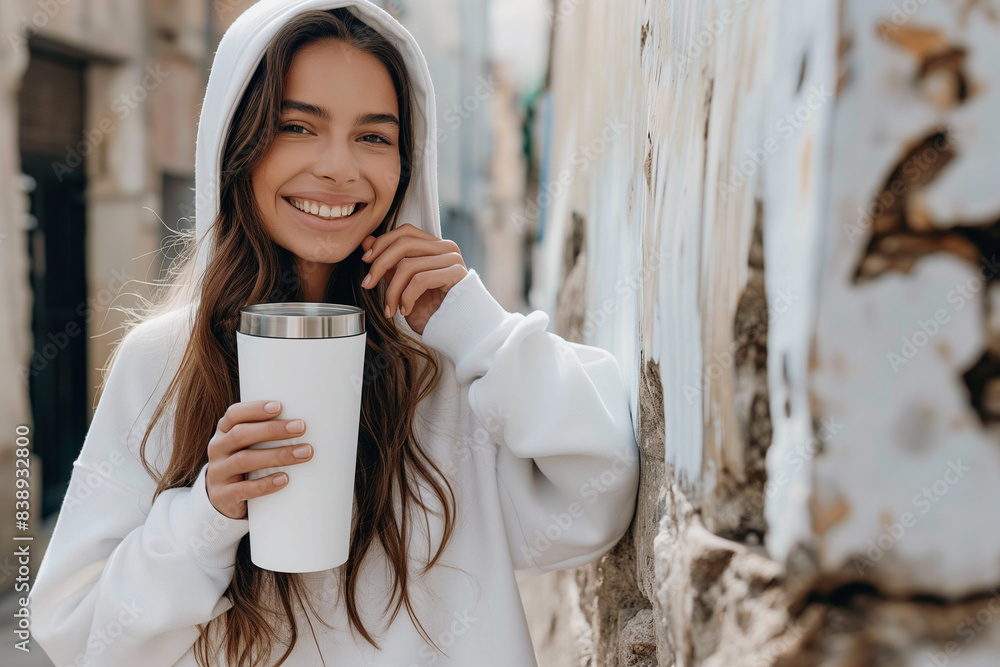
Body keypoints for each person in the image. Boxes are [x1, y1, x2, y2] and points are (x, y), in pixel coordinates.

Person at [28, 1, 640, 665]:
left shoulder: (451, 358)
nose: (338, 167)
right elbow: (77, 633)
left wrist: (481, 331)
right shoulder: (164, 362)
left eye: (374, 136)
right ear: (241, 143)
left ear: (406, 162)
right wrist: (208, 514)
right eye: (298, 126)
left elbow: (600, 495)